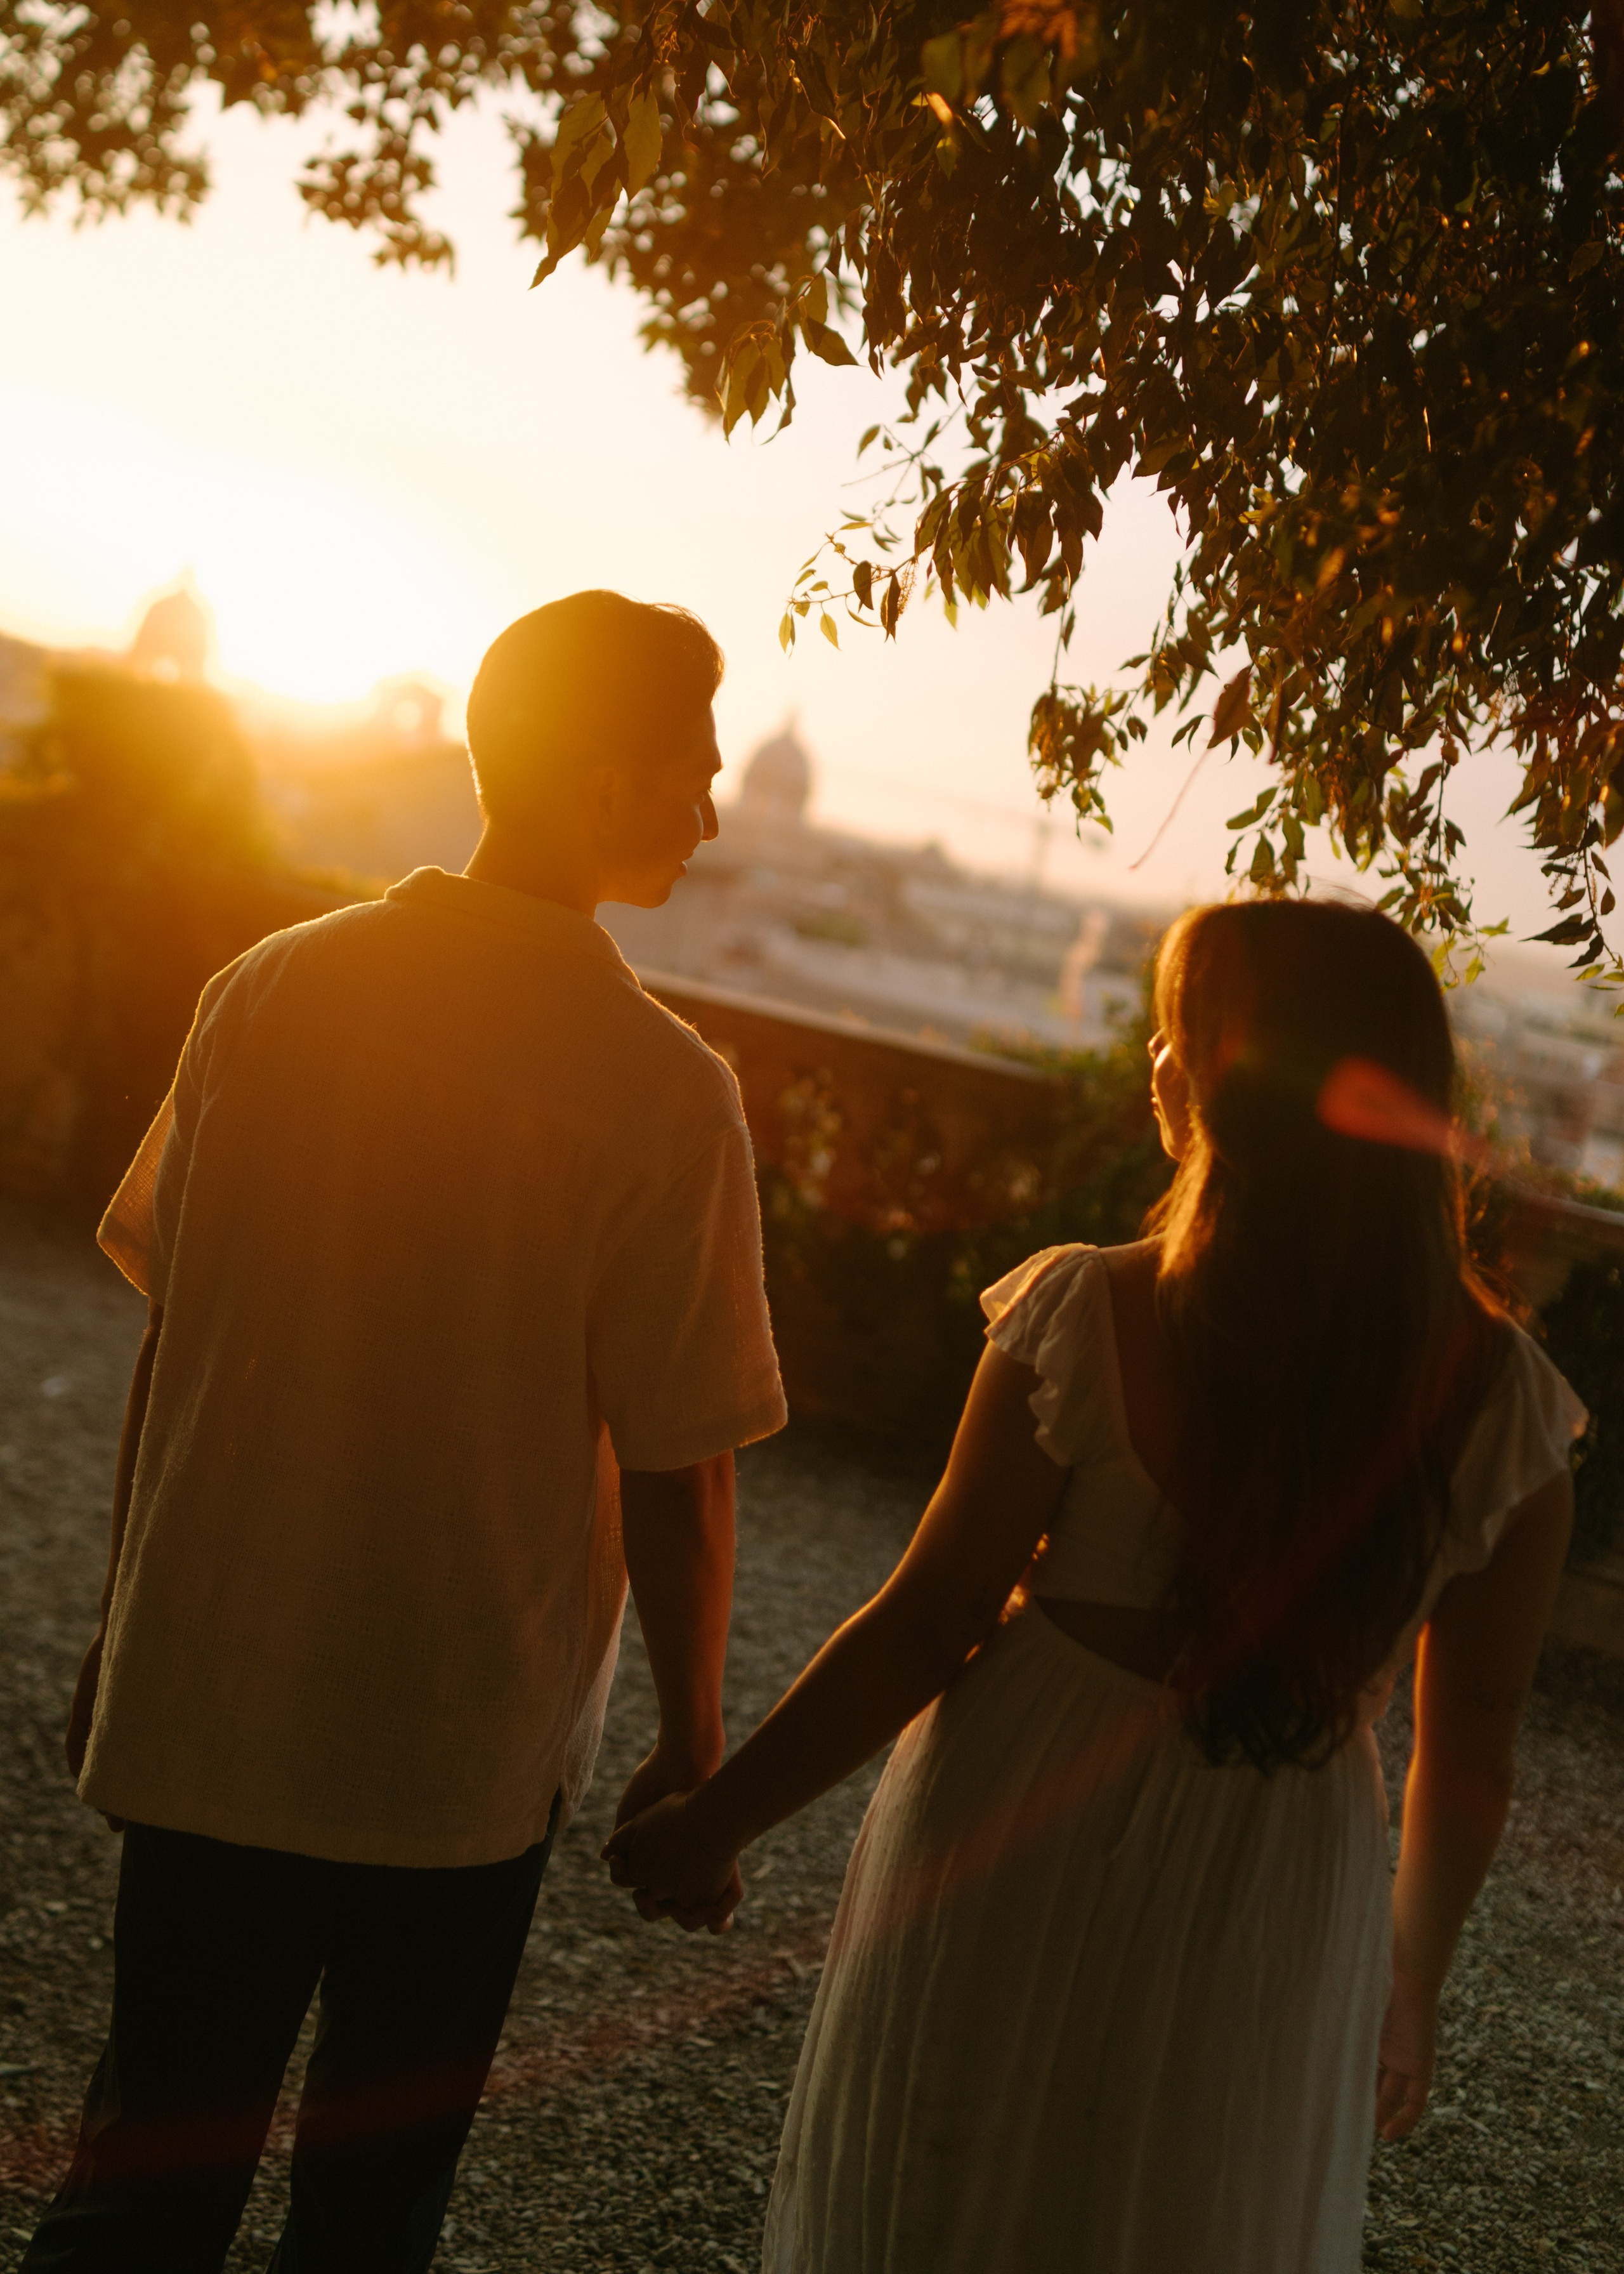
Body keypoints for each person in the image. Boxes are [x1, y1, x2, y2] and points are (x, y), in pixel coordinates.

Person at [605, 898, 1586, 2274]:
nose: (1154, 1065)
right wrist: (1407, 1979)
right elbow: (1469, 1756)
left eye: (1174, 1034)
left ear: (1232, 1079)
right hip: (1282, 1859)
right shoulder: (1514, 1414)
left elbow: (928, 1622)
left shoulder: (1084, 1312)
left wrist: (716, 1823)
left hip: (1020, 1805)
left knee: (949, 2195)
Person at [26, 590, 786, 2274]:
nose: (712, 809)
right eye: (694, 766)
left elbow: (177, 1340)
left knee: (142, 2181)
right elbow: (683, 1466)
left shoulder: (270, 989)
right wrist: (695, 1748)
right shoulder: (662, 1089)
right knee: (369, 2212)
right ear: (603, 780)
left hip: (217, 1685)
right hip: (454, 1748)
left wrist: (127, 1621)